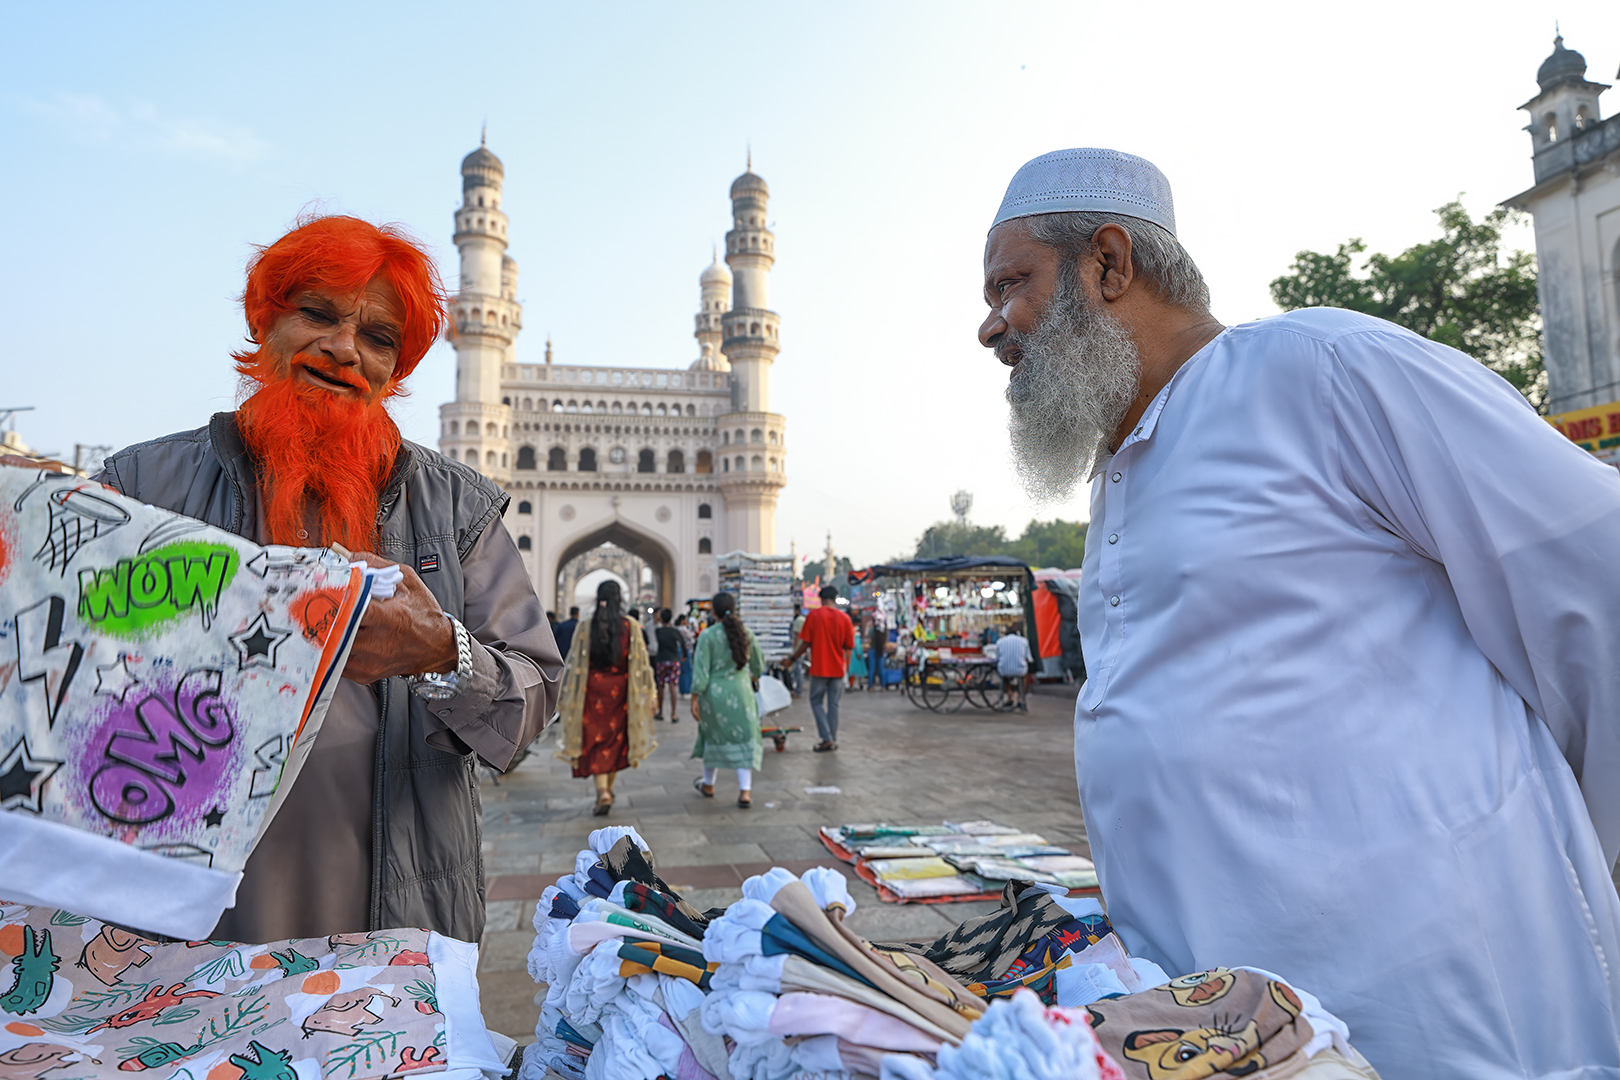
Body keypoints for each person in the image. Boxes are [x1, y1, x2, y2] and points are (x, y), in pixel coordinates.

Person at [981, 147, 1620, 1075]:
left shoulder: (1318, 370)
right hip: (1238, 1031)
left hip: (1445, 1012)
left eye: (1011, 286)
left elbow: (1592, 575)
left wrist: (1579, 856)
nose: (992, 328)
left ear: (1110, 265)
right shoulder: (1122, 474)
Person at [89, 215, 564, 943]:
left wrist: (442, 652)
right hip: (180, 924)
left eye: (378, 337)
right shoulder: (142, 489)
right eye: (317, 313)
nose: (344, 349)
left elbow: (532, 695)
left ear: (395, 367)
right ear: (266, 319)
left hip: (394, 916)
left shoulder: (453, 508)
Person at [554, 580, 655, 815]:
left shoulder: (587, 626)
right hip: (621, 694)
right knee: (614, 742)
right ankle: (606, 790)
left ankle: (603, 792)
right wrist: (651, 693)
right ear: (620, 600)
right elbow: (642, 663)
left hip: (592, 692)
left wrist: (565, 692)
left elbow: (574, 663)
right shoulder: (630, 627)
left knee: (596, 741)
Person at [689, 591, 765, 808]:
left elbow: (701, 672)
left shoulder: (708, 636)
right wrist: (755, 677)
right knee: (744, 739)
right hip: (741, 694)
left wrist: (695, 698)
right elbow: (759, 665)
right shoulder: (746, 634)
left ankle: (709, 784)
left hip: (714, 697)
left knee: (712, 738)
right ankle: (745, 792)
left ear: (713, 612)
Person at [788, 586, 854, 752]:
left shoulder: (814, 616)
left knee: (816, 701)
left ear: (821, 599)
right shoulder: (845, 618)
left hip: (819, 667)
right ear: (835, 598)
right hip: (838, 668)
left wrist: (793, 658)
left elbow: (805, 643)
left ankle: (826, 738)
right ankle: (831, 738)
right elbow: (848, 646)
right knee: (834, 704)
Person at [653, 607, 688, 722]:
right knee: (673, 686)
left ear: (661, 618)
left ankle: (661, 712)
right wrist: (684, 655)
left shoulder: (658, 631)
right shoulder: (675, 631)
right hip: (674, 660)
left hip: (661, 660)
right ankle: (673, 714)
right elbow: (683, 644)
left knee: (661, 686)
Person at [994, 629, 1032, 711]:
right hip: (1020, 670)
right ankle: (1020, 699)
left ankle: (1010, 695)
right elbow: (1028, 658)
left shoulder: (1000, 641)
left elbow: (997, 658)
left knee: (1004, 677)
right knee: (1024, 676)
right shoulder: (1024, 641)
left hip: (1004, 670)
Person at [787, 601, 806, 696]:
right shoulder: (803, 619)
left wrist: (793, 649)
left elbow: (796, 636)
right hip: (802, 647)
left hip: (798, 648)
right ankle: (797, 689)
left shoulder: (798, 620)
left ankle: (798, 691)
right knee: (797, 669)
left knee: (797, 670)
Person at [675, 612, 697, 696]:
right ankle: (687, 689)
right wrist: (694, 630)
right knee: (687, 670)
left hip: (679, 650)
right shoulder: (683, 629)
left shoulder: (677, 628)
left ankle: (682, 689)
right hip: (685, 650)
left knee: (682, 671)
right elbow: (690, 636)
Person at [868, 617, 888, 690]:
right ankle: (883, 687)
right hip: (880, 651)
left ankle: (871, 687)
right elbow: (885, 642)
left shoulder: (871, 631)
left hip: (872, 650)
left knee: (872, 669)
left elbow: (869, 641)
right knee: (881, 669)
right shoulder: (883, 631)